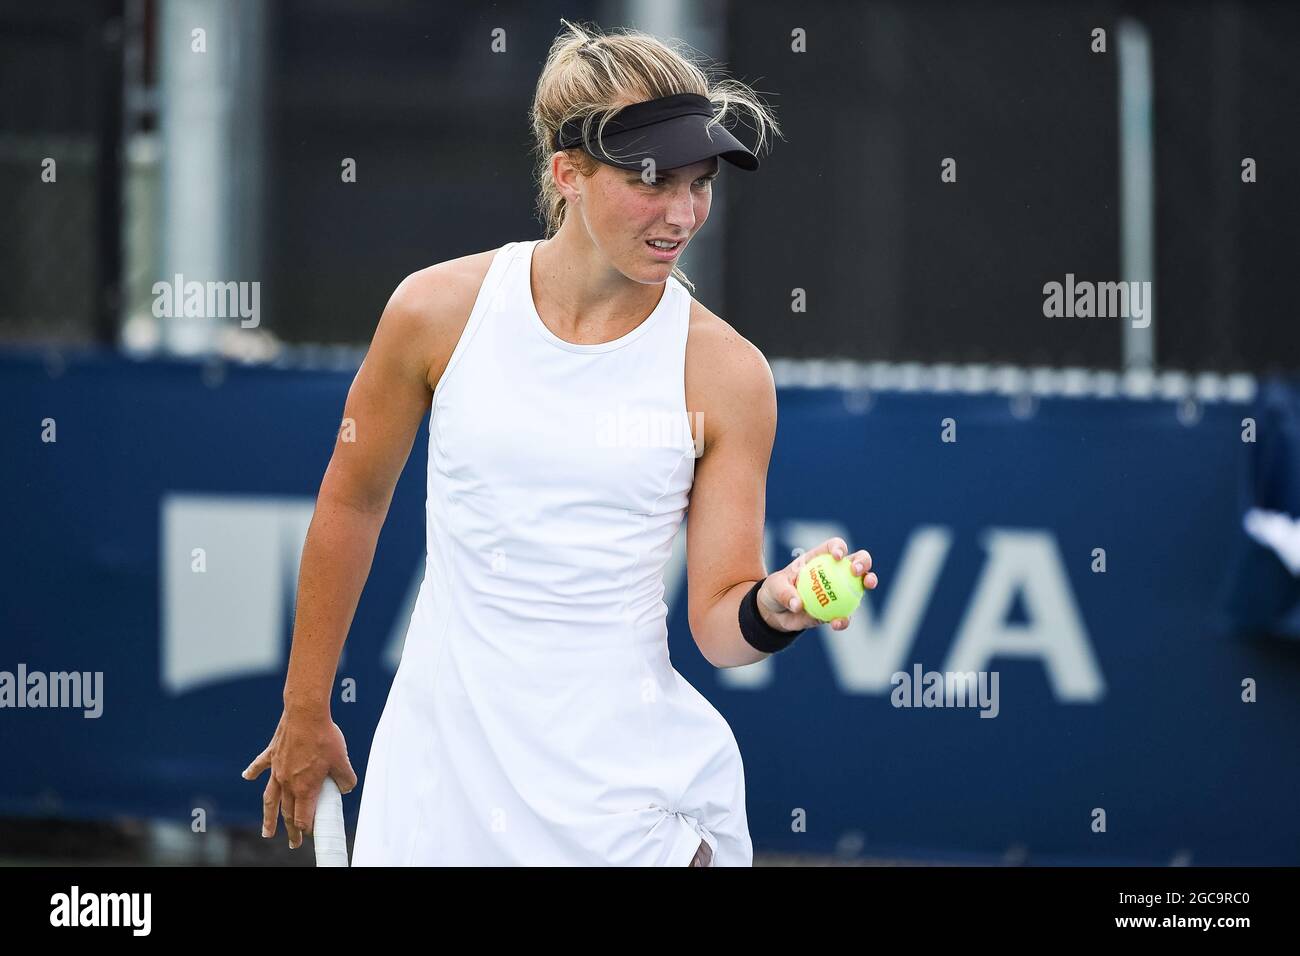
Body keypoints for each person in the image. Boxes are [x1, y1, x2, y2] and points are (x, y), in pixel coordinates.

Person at [242, 19, 878, 866]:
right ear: (567, 174)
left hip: (626, 797)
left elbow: (721, 625)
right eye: (652, 182)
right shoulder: (434, 312)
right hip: (441, 782)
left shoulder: (728, 374)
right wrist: (304, 707)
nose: (683, 213)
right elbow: (353, 502)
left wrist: (775, 605)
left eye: (700, 184)